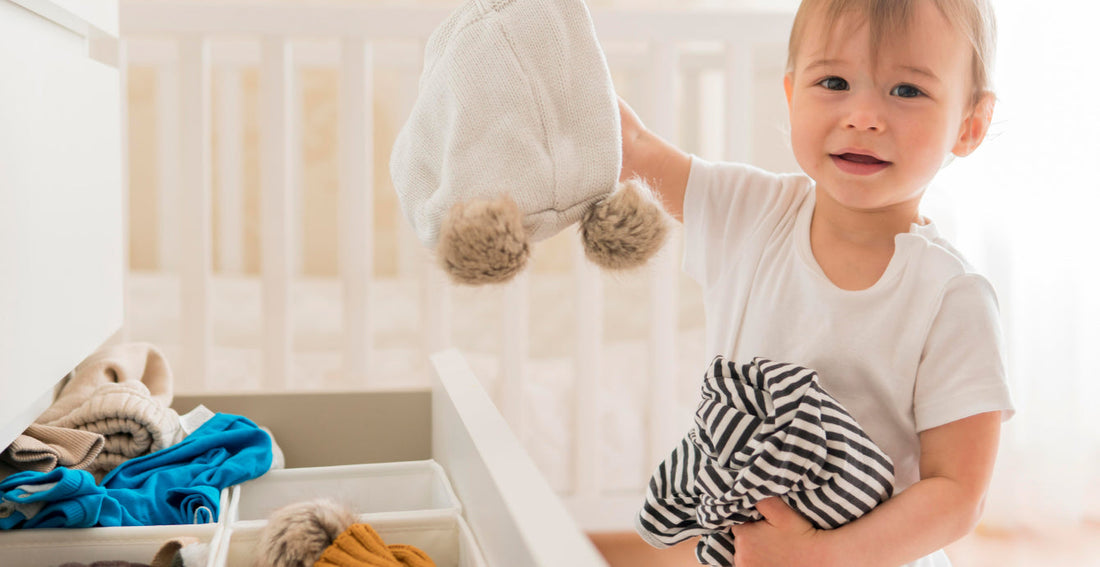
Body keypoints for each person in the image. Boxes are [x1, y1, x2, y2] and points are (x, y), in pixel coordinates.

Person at [619, 1, 1015, 566]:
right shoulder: (751, 213)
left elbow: (957, 495)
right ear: (790, 94)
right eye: (833, 81)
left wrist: (820, 556)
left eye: (906, 91)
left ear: (970, 125)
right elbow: (630, 148)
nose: (863, 116)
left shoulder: (952, 297)